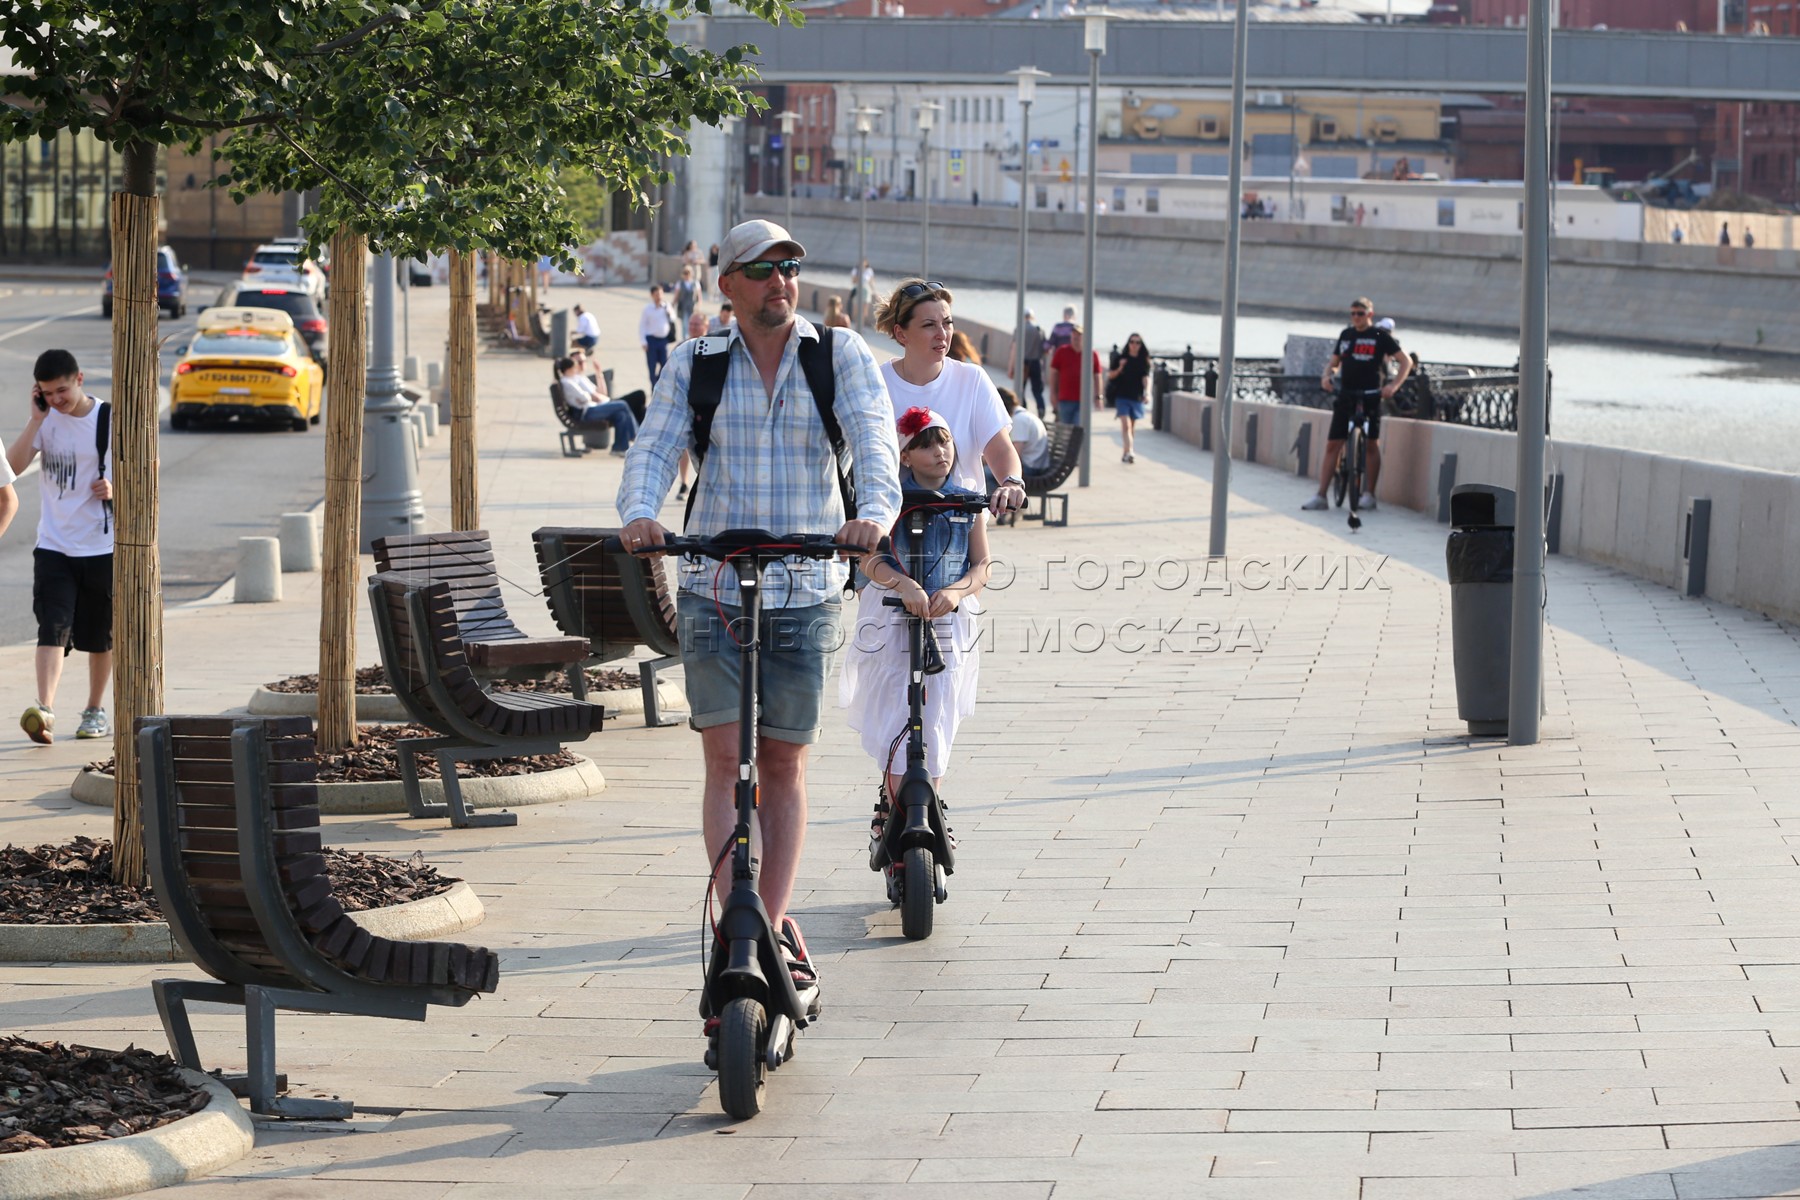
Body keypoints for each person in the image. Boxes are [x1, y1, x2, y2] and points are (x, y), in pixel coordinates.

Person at [616, 219, 902, 998]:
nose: (780, 281)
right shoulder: (696, 361)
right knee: (722, 760)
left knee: (782, 763)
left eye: (790, 268)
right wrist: (641, 511)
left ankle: (766, 926)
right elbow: (655, 446)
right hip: (713, 581)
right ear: (728, 286)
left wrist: (871, 512)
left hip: (806, 585)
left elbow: (875, 443)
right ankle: (734, 925)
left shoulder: (836, 355)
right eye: (763, 270)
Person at [841, 406, 991, 855]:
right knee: (896, 708)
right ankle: (893, 806)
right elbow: (867, 559)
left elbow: (981, 565)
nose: (939, 451)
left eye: (943, 441)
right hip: (889, 613)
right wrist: (902, 582)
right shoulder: (885, 502)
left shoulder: (968, 502)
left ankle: (930, 800)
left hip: (947, 618)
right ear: (904, 456)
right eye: (925, 444)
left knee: (938, 708)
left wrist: (958, 591)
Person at [7, 350, 114, 744]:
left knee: (100, 635)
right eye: (47, 393)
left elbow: (142, 475)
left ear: (80, 379)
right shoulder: (45, 420)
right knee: (51, 626)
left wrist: (114, 489)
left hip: (101, 546)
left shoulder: (107, 418)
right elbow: (12, 468)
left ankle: (94, 709)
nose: (56, 400)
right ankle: (45, 709)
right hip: (53, 545)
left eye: (62, 391)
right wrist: (36, 420)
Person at [874, 280, 1026, 516]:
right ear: (901, 334)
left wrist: (1011, 483)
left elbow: (1000, 449)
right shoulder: (877, 383)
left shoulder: (972, 379)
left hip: (962, 528)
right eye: (929, 325)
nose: (942, 334)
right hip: (895, 528)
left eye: (947, 323)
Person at [1303, 296, 1411, 512]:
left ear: (1370, 315)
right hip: (1346, 394)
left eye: (1360, 314)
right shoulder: (1346, 335)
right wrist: (1326, 376)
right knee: (1333, 444)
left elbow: (1405, 361)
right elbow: (1333, 364)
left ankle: (1369, 494)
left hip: (1371, 395)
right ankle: (1321, 495)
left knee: (1371, 443)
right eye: (1352, 313)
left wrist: (1393, 386)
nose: (1355, 317)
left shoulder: (1380, 335)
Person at [555, 356, 640, 454]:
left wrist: (585, 397)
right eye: (575, 367)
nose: (576, 369)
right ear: (568, 369)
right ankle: (635, 435)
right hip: (586, 413)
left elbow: (585, 396)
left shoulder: (573, 379)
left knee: (620, 415)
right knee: (622, 404)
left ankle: (619, 447)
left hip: (589, 408)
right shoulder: (567, 382)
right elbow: (584, 397)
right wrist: (586, 396)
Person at [1106, 332, 1151, 464]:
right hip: (1122, 396)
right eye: (1132, 342)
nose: (1134, 345)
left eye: (1137, 343)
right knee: (1125, 425)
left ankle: (1127, 452)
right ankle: (1130, 451)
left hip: (1136, 397)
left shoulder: (1143, 361)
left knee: (1131, 426)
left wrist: (1147, 393)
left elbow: (1146, 378)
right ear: (1128, 343)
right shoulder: (1121, 358)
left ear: (1141, 345)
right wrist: (1120, 367)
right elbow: (1110, 376)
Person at [1047, 324, 1102, 428]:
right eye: (1074, 334)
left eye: (1079, 335)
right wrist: (1053, 394)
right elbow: (1054, 373)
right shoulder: (1062, 351)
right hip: (1064, 399)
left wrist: (1098, 396)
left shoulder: (1092, 354)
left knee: (1078, 428)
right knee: (1065, 429)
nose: (1076, 337)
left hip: (1083, 400)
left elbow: (1097, 376)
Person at [1001, 386, 1049, 474]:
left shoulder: (1019, 420)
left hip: (1031, 467)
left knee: (987, 475)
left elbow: (1015, 454)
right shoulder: (1023, 415)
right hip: (1036, 463)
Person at [638, 284, 677, 387]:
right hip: (651, 340)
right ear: (652, 295)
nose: (659, 296)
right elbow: (642, 326)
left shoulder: (666, 306)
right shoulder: (648, 309)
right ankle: (653, 387)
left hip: (663, 340)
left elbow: (673, 318)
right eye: (656, 294)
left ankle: (659, 383)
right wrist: (643, 341)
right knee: (652, 366)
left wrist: (669, 313)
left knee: (664, 365)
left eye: (660, 293)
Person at [1016, 308, 1047, 418]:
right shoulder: (1039, 330)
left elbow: (1014, 348)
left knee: (1020, 389)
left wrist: (1011, 368)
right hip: (1036, 363)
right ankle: (1041, 408)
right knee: (1037, 391)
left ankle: (1023, 410)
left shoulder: (1019, 329)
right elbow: (1045, 349)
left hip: (1023, 363)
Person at [673, 266, 701, 340]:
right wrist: (672, 304)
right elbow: (676, 295)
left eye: (688, 273)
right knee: (685, 324)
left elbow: (699, 296)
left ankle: (691, 338)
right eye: (685, 273)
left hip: (692, 307)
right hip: (683, 306)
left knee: (692, 324)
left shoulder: (695, 283)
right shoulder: (680, 283)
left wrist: (698, 306)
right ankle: (684, 339)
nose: (686, 275)